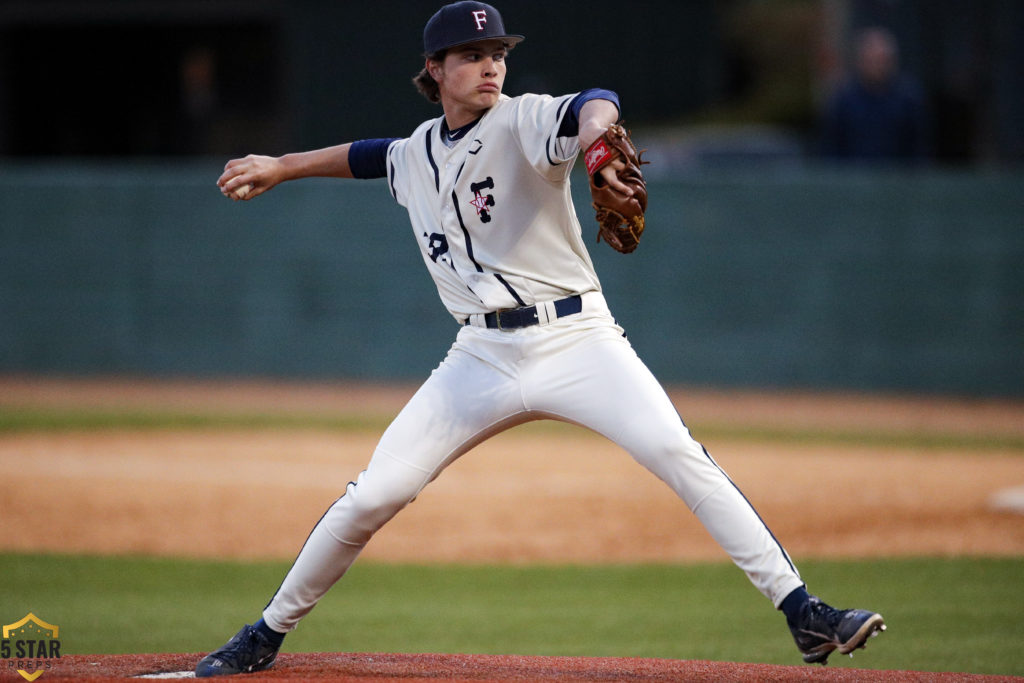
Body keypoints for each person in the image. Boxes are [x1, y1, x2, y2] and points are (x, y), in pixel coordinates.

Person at [196, 2, 886, 676]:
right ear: (434, 69)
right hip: (479, 356)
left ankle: (804, 611)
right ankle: (264, 633)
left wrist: (594, 144)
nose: (491, 65)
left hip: (579, 340)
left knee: (678, 452)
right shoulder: (415, 153)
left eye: (497, 53)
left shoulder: (524, 120)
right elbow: (365, 156)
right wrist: (283, 165)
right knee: (375, 494)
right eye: (472, 56)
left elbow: (596, 100)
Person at [820, 26, 930, 163]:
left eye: (883, 59)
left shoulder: (908, 98)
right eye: (872, 59)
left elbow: (918, 148)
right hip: (852, 178)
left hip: (898, 179)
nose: (878, 65)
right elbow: (830, 147)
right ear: (860, 60)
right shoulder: (843, 99)